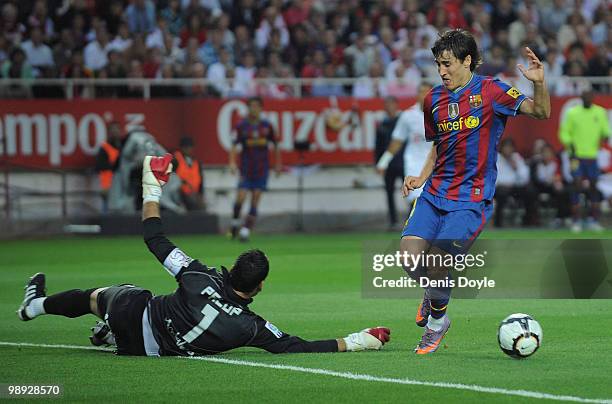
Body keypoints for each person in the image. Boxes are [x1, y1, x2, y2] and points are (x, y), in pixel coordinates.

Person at [17, 154, 390, 356]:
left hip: (135, 313)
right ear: (259, 287)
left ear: (234, 271)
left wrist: (152, 188)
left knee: (100, 296)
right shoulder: (251, 327)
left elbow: (155, 238)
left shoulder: (198, 275)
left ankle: (33, 307)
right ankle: (107, 332)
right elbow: (299, 346)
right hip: (145, 350)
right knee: (125, 305)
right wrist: (361, 339)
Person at [401, 29, 550, 354]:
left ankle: (438, 323)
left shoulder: (492, 91)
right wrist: (420, 177)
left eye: (447, 64)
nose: (441, 71)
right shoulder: (433, 100)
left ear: (467, 60)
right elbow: (439, 146)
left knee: (439, 261)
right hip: (434, 193)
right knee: (409, 260)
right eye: (438, 64)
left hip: (471, 199)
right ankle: (433, 290)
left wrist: (538, 83)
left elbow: (541, 113)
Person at [229, 97, 281, 242]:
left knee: (255, 198)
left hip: (261, 169)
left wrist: (277, 164)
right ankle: (234, 223)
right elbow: (234, 145)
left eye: (256, 106)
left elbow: (276, 145)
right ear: (248, 108)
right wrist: (232, 162)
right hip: (246, 169)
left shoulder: (267, 126)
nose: (254, 109)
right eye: (251, 106)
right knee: (240, 198)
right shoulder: (241, 126)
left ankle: (245, 231)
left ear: (261, 108)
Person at [559, 89, 610, 232]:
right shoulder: (572, 113)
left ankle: (593, 220)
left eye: (590, 96)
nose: (588, 98)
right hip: (576, 156)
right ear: (581, 97)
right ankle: (575, 220)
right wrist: (570, 144)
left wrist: (605, 136)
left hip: (592, 156)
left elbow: (606, 130)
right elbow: (564, 132)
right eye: (585, 96)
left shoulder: (599, 112)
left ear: (593, 97)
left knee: (593, 186)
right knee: (577, 185)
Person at [376, 82, 433, 208]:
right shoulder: (408, 116)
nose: (423, 95)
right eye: (420, 92)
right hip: (414, 164)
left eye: (426, 92)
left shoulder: (441, 114)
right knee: (417, 200)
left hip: (436, 163)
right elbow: (397, 141)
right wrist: (383, 162)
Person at [374, 96, 404, 230]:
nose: (389, 107)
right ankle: (393, 221)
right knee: (389, 193)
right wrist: (379, 164)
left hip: (403, 163)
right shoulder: (382, 125)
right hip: (388, 165)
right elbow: (378, 147)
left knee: (410, 193)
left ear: (396, 105)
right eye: (387, 104)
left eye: (391, 104)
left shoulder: (403, 121)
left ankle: (412, 220)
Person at [494, 138, 538, 227]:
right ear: (501, 148)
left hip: (515, 187)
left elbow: (525, 177)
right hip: (501, 187)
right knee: (501, 194)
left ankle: (527, 221)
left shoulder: (516, 157)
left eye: (510, 147)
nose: (508, 150)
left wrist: (516, 167)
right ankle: (498, 223)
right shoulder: (496, 158)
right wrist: (506, 183)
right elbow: (495, 177)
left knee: (530, 192)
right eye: (506, 147)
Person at [95, 122, 123, 213]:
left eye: (117, 130)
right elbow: (101, 168)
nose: (115, 133)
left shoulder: (123, 147)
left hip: (122, 187)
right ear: (109, 133)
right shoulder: (104, 148)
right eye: (113, 131)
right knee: (107, 211)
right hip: (108, 187)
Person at [173, 136, 205, 211]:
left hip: (194, 194)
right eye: (186, 147)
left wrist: (200, 195)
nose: (188, 149)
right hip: (180, 194)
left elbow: (201, 181)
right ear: (181, 148)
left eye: (190, 147)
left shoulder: (196, 162)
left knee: (200, 207)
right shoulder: (176, 160)